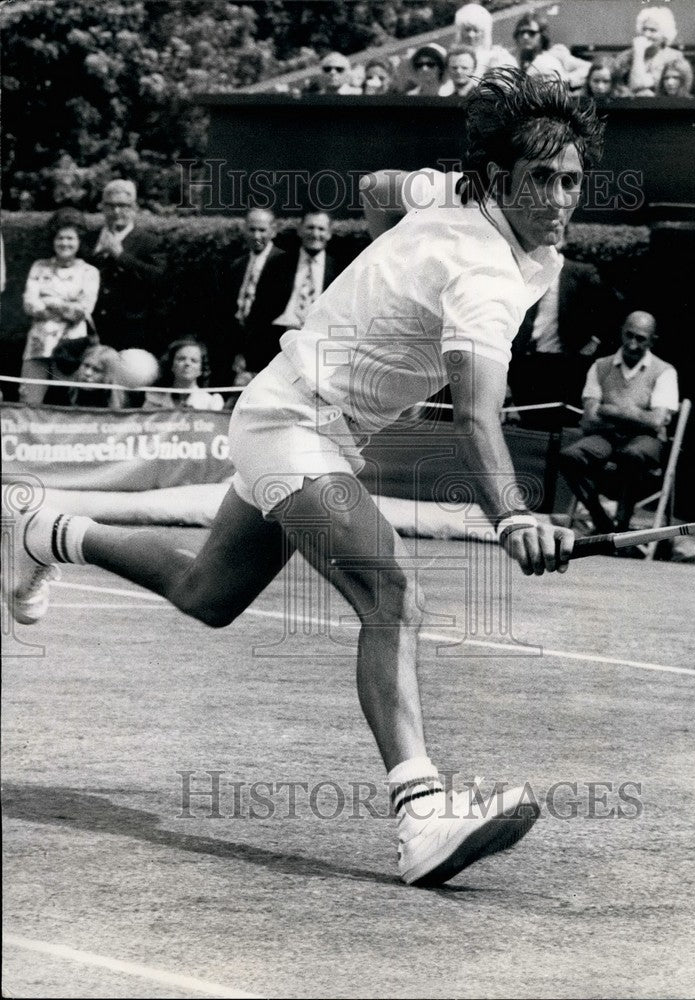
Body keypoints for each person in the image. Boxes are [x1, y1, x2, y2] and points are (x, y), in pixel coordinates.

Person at [7, 71, 604, 889]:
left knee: (208, 594)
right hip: (295, 424)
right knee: (391, 594)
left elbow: (377, 189)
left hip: (300, 419)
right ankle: (421, 816)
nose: (561, 198)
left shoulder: (453, 198)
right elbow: (475, 417)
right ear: (499, 178)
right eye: (542, 178)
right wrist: (512, 516)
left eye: (572, 180)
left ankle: (43, 531)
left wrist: (397, 264)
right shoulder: (486, 279)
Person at [559, 311, 679, 534]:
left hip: (644, 442)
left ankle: (622, 525)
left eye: (641, 339)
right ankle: (601, 520)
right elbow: (590, 418)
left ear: (652, 341)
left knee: (632, 455)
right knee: (569, 457)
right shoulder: (600, 366)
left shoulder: (664, 371)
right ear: (622, 333)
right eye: (629, 335)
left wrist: (609, 409)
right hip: (606, 438)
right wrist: (636, 415)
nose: (632, 344)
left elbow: (655, 422)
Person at [508, 233, 618, 409]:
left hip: (563, 362)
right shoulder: (523, 272)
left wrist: (594, 341)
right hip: (526, 360)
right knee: (528, 413)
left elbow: (611, 309)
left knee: (558, 415)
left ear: (562, 241)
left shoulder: (581, 273)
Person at [20, 207, 100, 404]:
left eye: (70, 238)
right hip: (39, 344)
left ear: (79, 241)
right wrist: (66, 305)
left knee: (67, 403)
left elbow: (82, 311)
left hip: (71, 347)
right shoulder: (39, 267)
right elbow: (30, 305)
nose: (65, 243)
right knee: (29, 401)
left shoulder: (89, 272)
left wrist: (48, 301)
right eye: (60, 238)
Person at [88, 179, 164, 353]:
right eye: (110, 205)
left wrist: (121, 256)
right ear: (102, 207)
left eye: (123, 206)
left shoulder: (149, 242)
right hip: (91, 328)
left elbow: (158, 278)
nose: (116, 211)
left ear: (134, 208)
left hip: (130, 330)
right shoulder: (88, 239)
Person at [225, 207, 287, 383]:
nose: (256, 236)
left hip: (272, 353)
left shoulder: (286, 264)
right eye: (252, 230)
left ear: (273, 231)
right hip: (240, 354)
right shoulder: (237, 265)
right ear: (245, 230)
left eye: (262, 230)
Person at [269, 209, 341, 358]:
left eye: (321, 229)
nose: (315, 234)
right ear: (300, 230)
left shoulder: (339, 269)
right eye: (310, 227)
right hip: (277, 344)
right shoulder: (279, 264)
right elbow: (262, 310)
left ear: (329, 233)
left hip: (319, 346)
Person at [512, 13, 591, 90]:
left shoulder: (555, 54)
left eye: (531, 33)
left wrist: (565, 81)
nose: (525, 37)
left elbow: (588, 68)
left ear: (542, 35)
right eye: (521, 33)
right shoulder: (513, 57)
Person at [614, 7, 682, 96]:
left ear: (664, 35)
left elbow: (639, 85)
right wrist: (638, 52)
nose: (646, 34)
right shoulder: (624, 57)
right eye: (644, 29)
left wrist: (639, 53)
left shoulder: (674, 57)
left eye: (653, 30)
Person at [145, 337, 223, 411]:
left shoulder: (210, 403)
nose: (187, 363)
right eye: (181, 359)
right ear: (172, 365)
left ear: (201, 369)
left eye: (194, 360)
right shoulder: (154, 400)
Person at [44, 344, 125, 409]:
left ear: (109, 376)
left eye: (96, 370)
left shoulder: (122, 408)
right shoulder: (58, 395)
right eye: (86, 365)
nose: (88, 373)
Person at [452, 3, 517, 79]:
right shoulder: (453, 59)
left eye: (476, 30)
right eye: (467, 30)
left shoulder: (497, 56)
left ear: (484, 33)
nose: (471, 35)